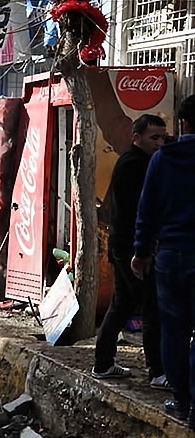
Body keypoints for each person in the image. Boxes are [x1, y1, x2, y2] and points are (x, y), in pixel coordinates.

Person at [91, 115, 167, 389]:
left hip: (124, 245)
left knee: (122, 306)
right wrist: (142, 250)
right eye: (153, 138)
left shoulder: (136, 162)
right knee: (151, 308)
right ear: (137, 137)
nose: (159, 143)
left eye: (162, 137)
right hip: (132, 248)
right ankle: (157, 371)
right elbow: (139, 212)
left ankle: (103, 363)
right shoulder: (135, 165)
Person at [132, 94, 195, 427]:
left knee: (174, 330)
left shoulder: (163, 159)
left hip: (170, 256)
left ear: (183, 124)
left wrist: (141, 252)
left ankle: (182, 401)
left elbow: (147, 210)